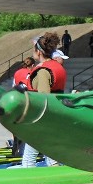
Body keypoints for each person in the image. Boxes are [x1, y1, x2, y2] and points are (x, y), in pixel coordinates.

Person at [21, 32, 67, 167]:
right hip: (55, 117)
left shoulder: (43, 71)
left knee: (28, 160)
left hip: (43, 120)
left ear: (39, 52)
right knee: (52, 159)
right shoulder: (58, 66)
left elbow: (43, 99)